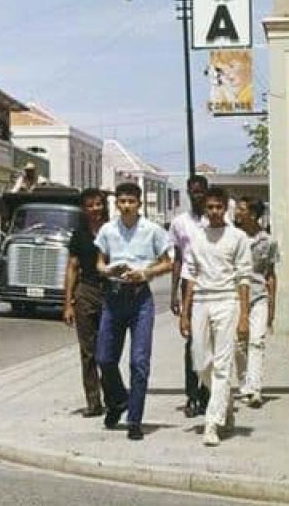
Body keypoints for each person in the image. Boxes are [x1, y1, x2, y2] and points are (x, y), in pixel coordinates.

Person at [94, 181, 171, 441]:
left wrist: (145, 273)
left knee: (139, 362)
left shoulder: (152, 231)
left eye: (131, 202)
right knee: (104, 358)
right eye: (122, 202)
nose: (126, 207)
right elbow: (99, 264)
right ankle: (118, 400)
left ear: (139, 204)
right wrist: (109, 270)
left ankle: (134, 420)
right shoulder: (107, 230)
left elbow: (168, 263)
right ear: (116, 204)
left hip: (140, 299)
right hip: (114, 297)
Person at [179, 186, 251, 447]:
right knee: (200, 362)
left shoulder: (238, 237)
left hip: (227, 301)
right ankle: (226, 402)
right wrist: (185, 313)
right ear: (205, 209)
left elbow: (244, 278)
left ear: (226, 208)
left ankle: (212, 422)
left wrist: (244, 315)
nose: (215, 212)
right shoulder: (196, 237)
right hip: (201, 301)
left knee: (222, 364)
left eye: (219, 207)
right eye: (210, 207)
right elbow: (190, 275)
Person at [63, 188, 108, 418]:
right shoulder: (79, 234)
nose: (95, 209)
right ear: (84, 209)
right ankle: (93, 401)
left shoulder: (114, 231)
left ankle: (112, 396)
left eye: (98, 204)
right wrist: (68, 303)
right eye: (90, 205)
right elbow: (72, 267)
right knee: (88, 352)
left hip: (110, 292)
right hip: (86, 291)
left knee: (107, 351)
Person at [169, 173, 211, 417]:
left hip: (213, 283)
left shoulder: (217, 217)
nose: (198, 195)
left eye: (201, 191)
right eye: (193, 191)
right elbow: (176, 259)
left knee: (210, 342)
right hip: (188, 285)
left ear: (206, 191)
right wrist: (174, 293)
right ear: (188, 192)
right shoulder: (179, 223)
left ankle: (206, 394)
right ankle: (192, 395)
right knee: (192, 342)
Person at [234, 197, 278, 406]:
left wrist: (272, 305)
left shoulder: (268, 241)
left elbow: (270, 274)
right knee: (238, 343)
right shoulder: (233, 238)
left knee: (257, 341)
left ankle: (255, 388)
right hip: (235, 296)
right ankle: (244, 384)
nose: (237, 213)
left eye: (241, 209)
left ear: (252, 214)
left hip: (259, 296)